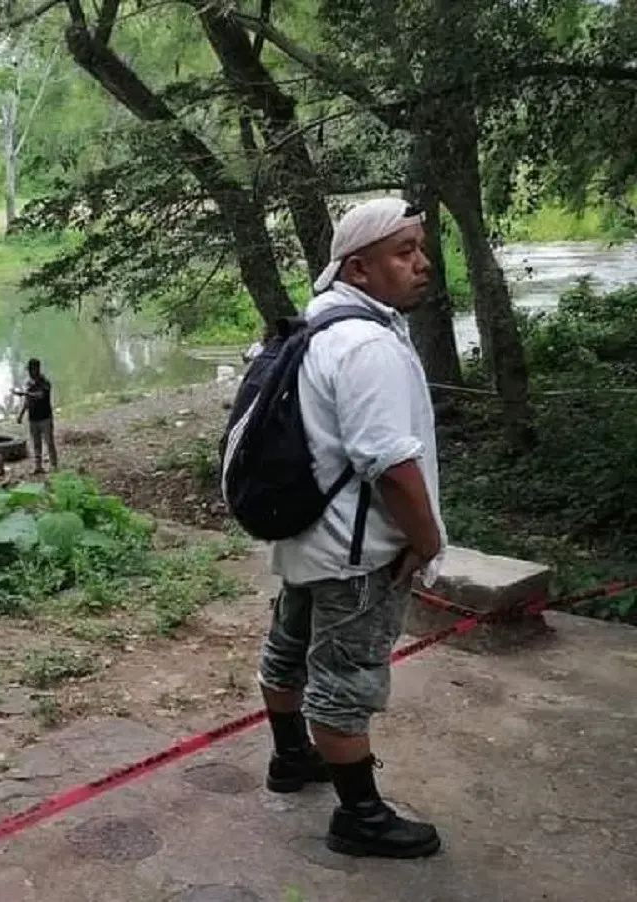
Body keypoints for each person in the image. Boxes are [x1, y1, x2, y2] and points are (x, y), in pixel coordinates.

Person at [257, 197, 447, 859]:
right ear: (359, 268)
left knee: (289, 649)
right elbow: (390, 464)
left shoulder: (315, 323)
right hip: (357, 550)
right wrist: (426, 542)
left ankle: (291, 760)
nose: (423, 263)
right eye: (405, 252)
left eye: (421, 247)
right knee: (346, 681)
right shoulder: (367, 344)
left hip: (307, 533)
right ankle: (360, 818)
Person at [14, 358, 57, 474]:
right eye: (28, 370)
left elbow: (40, 395)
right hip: (33, 418)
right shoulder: (28, 383)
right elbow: (27, 401)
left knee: (49, 442)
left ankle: (54, 465)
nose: (29, 373)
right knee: (36, 443)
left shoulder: (45, 382)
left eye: (31, 370)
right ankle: (38, 466)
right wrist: (21, 415)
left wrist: (24, 393)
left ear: (37, 369)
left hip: (45, 418)